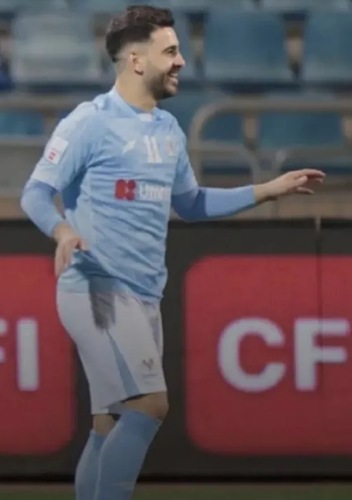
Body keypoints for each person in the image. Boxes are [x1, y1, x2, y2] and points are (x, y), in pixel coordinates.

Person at [20, 6, 324, 500]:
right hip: (97, 289)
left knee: (108, 422)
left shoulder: (168, 130)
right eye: (171, 51)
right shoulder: (89, 122)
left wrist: (267, 190)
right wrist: (62, 231)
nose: (182, 61)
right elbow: (35, 193)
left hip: (143, 295)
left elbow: (190, 203)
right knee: (149, 405)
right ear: (137, 61)